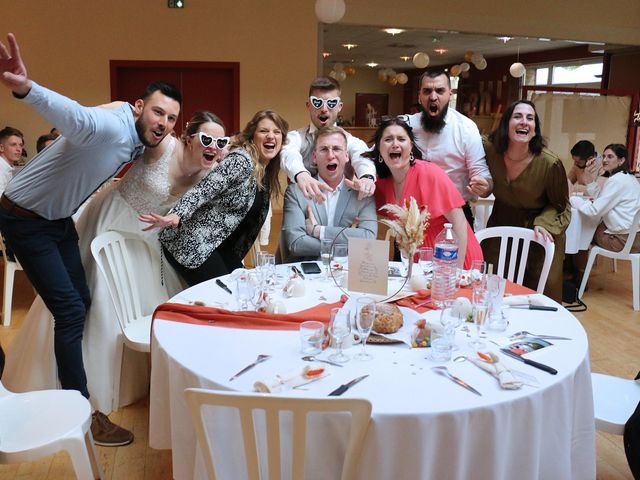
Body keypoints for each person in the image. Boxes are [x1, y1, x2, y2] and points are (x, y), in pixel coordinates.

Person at [0, 33, 181, 446]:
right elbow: (76, 117)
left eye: (171, 118)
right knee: (69, 311)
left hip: (57, 220)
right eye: (157, 112)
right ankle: (81, 414)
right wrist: (26, 88)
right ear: (139, 107)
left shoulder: (140, 139)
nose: (163, 123)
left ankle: (60, 385)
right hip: (24, 220)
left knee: (79, 301)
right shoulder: (110, 125)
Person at [2, 111, 226, 415]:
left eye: (220, 141)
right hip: (111, 220)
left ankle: (130, 379)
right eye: (207, 138)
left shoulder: (207, 175)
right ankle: (79, 386)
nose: (213, 145)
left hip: (146, 239)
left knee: (137, 304)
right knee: (93, 299)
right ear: (188, 138)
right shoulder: (164, 146)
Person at [142, 109, 288, 285]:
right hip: (193, 243)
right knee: (227, 297)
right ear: (252, 136)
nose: (271, 136)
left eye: (276, 131)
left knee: (247, 288)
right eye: (264, 131)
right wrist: (177, 214)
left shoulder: (265, 173)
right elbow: (204, 189)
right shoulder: (241, 161)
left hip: (219, 247)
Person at [367, 116, 483, 269]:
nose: (395, 144)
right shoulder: (383, 182)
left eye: (401, 139)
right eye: (388, 139)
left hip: (451, 256)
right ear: (379, 149)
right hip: (417, 262)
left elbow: (459, 222)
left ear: (411, 146)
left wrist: (457, 271)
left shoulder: (429, 173)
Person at [483, 100, 570, 302]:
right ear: (506, 123)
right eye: (518, 116)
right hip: (501, 223)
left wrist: (544, 223)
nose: (524, 122)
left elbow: (562, 206)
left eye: (530, 118)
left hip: (538, 230)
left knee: (539, 290)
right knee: (494, 284)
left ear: (535, 129)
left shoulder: (549, 163)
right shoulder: (489, 150)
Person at [404, 69, 493, 226]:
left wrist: (485, 186)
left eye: (439, 91)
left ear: (449, 94)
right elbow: (374, 155)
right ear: (419, 95)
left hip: (455, 214)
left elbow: (480, 173)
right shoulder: (405, 125)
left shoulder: (465, 128)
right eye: (427, 91)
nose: (433, 97)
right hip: (412, 216)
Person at [280, 126, 377, 263]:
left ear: (346, 156)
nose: (331, 155)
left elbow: (368, 239)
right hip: (306, 276)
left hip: (348, 275)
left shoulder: (362, 193)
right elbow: (296, 244)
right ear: (314, 157)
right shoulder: (296, 192)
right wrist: (346, 243)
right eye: (324, 149)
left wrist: (318, 231)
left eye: (337, 149)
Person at [280, 76, 376, 203]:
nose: (324, 109)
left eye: (331, 103)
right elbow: (288, 153)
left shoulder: (351, 141)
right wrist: (301, 174)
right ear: (308, 105)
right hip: (302, 212)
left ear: (339, 106)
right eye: (317, 103)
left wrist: (366, 177)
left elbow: (362, 155)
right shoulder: (296, 137)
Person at [572, 143, 640, 259]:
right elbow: (601, 199)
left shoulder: (616, 180)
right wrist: (588, 175)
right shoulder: (629, 178)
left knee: (580, 232)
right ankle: (578, 270)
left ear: (621, 160)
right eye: (603, 156)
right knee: (590, 227)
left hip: (622, 241)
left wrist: (572, 199)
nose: (604, 160)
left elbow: (594, 210)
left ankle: (578, 272)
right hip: (634, 238)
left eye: (610, 157)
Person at [0, 126, 23, 194]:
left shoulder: (9, 168)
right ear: (1, 148)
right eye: (13, 144)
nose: (19, 149)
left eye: (21, 145)